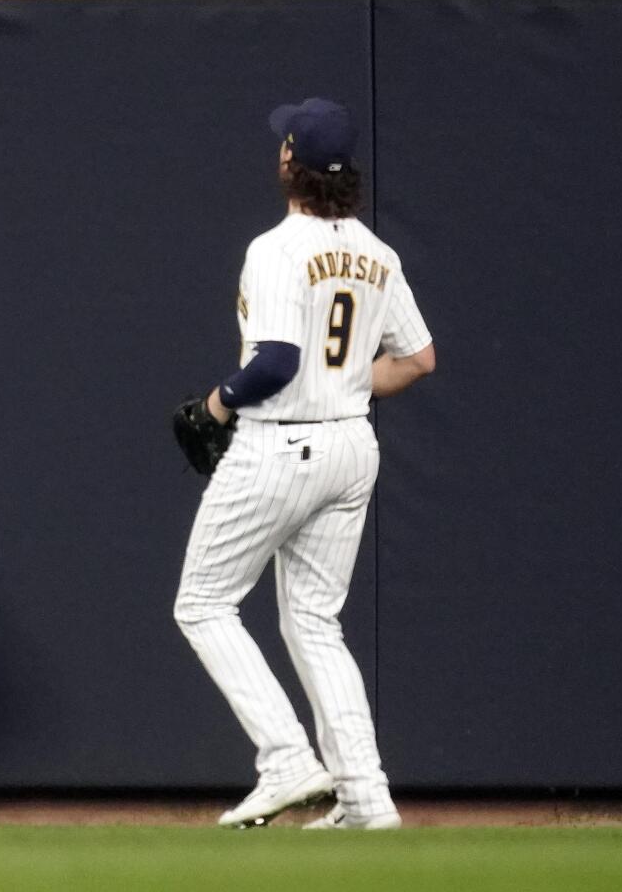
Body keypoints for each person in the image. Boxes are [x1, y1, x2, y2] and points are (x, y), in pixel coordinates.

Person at [173, 98, 435, 830]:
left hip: (280, 442)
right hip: (351, 445)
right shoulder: (378, 253)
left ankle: (286, 757)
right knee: (317, 623)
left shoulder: (276, 247)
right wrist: (348, 384)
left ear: (290, 160)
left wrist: (218, 402)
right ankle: (366, 796)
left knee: (203, 602)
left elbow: (278, 362)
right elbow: (418, 358)